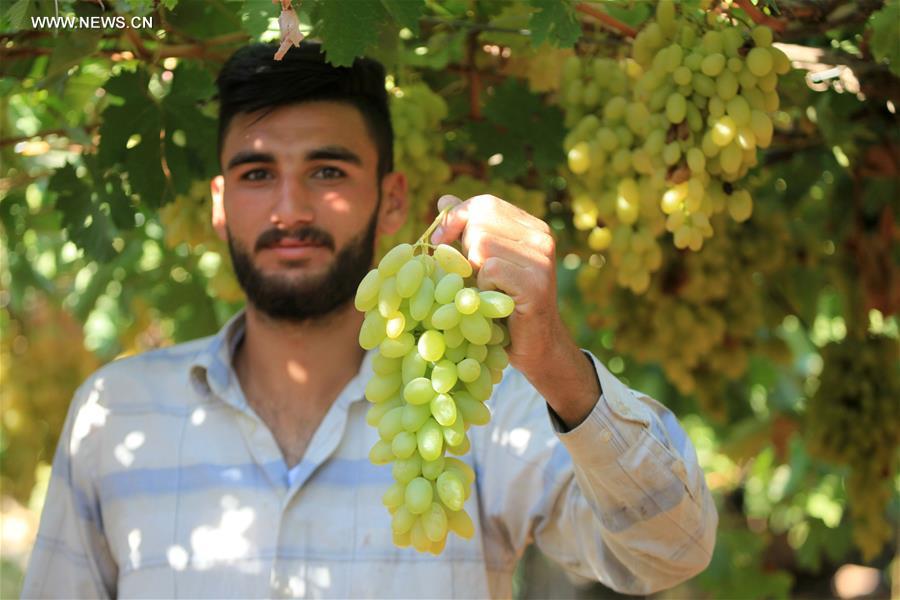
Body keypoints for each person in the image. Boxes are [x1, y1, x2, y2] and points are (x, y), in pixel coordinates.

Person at [22, 41, 717, 599]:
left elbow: (671, 552)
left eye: (327, 172)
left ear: (392, 201)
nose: (290, 209)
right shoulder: (115, 418)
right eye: (257, 174)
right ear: (218, 202)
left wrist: (557, 362)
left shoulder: (482, 411)